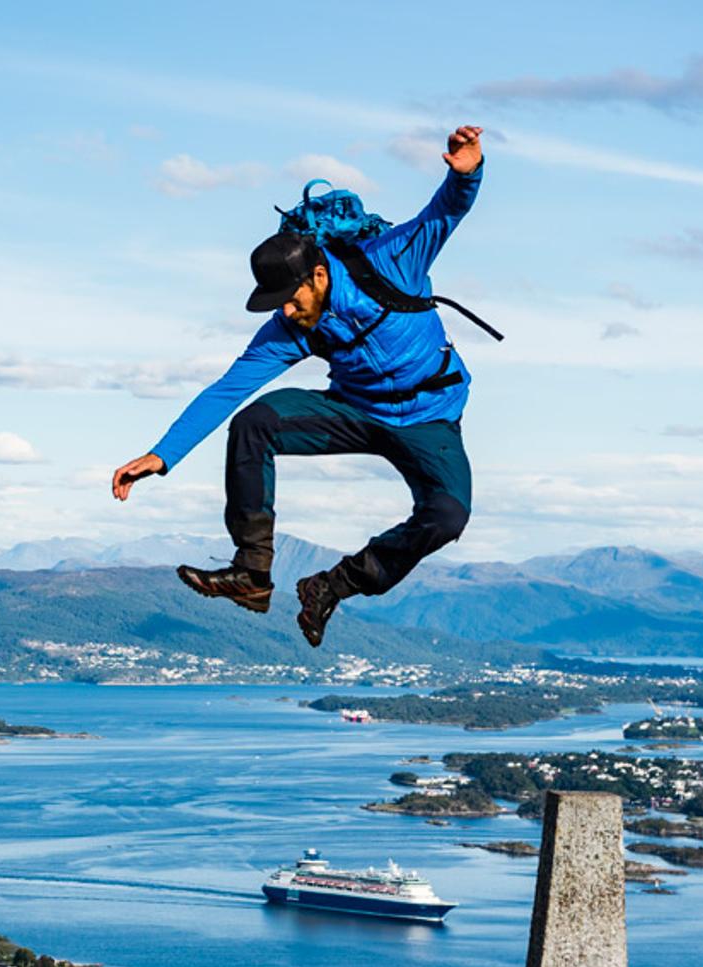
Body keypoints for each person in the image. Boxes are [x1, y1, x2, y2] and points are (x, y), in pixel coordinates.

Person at [110, 125, 487, 648]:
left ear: (319, 276)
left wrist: (467, 174)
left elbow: (444, 212)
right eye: (277, 304)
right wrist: (163, 454)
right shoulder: (291, 327)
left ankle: (331, 586)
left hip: (429, 419)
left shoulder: (392, 261)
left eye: (291, 298)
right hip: (354, 411)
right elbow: (228, 389)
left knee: (446, 516)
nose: (286, 312)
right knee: (255, 422)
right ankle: (251, 573)